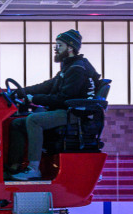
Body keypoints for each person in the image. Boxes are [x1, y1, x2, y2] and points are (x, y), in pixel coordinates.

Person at [8, 29, 100, 181]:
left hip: (74, 113)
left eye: (59, 45)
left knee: (33, 120)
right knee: (17, 123)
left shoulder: (77, 69)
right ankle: (14, 166)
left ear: (70, 48)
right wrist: (21, 92)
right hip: (65, 109)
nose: (56, 48)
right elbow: (47, 86)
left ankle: (33, 169)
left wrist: (34, 98)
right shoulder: (69, 67)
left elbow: (63, 98)